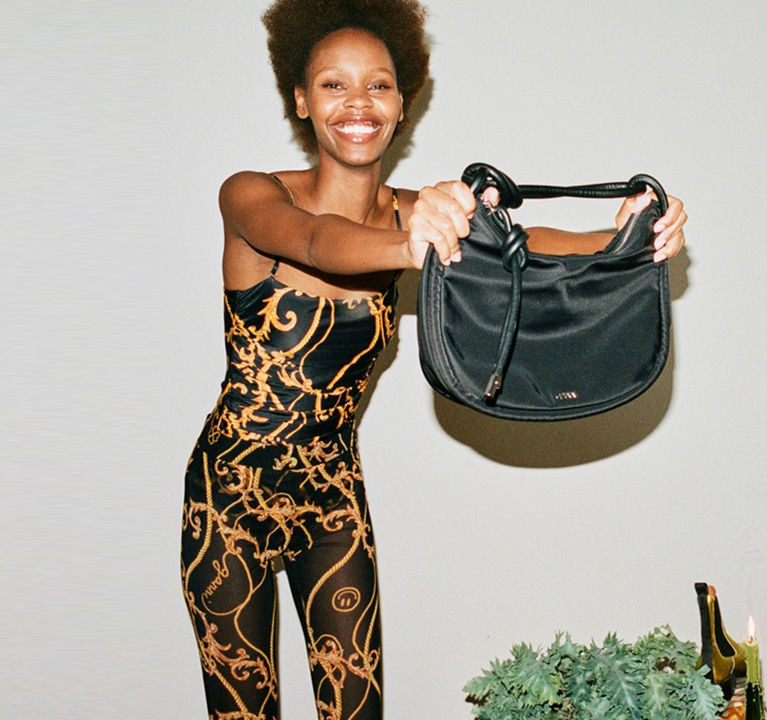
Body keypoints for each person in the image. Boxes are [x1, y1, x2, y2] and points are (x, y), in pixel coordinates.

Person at [177, 1, 688, 718]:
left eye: (379, 85)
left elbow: (530, 240)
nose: (358, 102)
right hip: (228, 501)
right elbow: (318, 241)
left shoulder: (413, 212)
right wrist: (417, 242)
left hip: (332, 501)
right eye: (333, 85)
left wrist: (629, 235)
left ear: (402, 100)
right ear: (300, 98)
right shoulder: (253, 195)